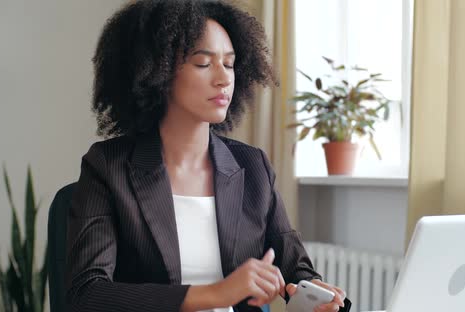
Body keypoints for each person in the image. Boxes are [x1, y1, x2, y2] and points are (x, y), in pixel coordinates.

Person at [65, 1, 347, 311]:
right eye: (203, 63)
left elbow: (297, 270)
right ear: (157, 71)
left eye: (229, 63)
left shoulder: (252, 167)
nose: (224, 78)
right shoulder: (108, 166)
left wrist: (314, 293)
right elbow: (87, 294)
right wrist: (217, 294)